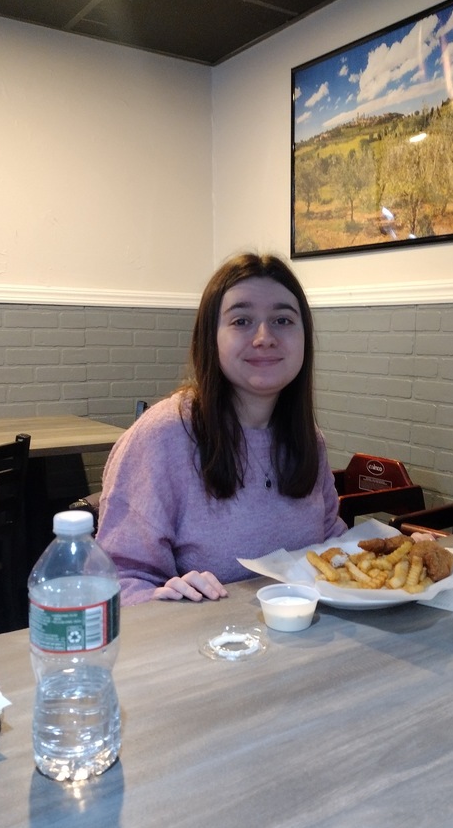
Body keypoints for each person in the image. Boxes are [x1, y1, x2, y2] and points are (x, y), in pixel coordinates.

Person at [96, 252, 347, 604]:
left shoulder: (307, 438)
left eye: (283, 320)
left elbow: (330, 544)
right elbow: (111, 581)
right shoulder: (164, 436)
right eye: (242, 321)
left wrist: (397, 551)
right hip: (201, 648)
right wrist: (162, 596)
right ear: (210, 338)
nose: (264, 337)